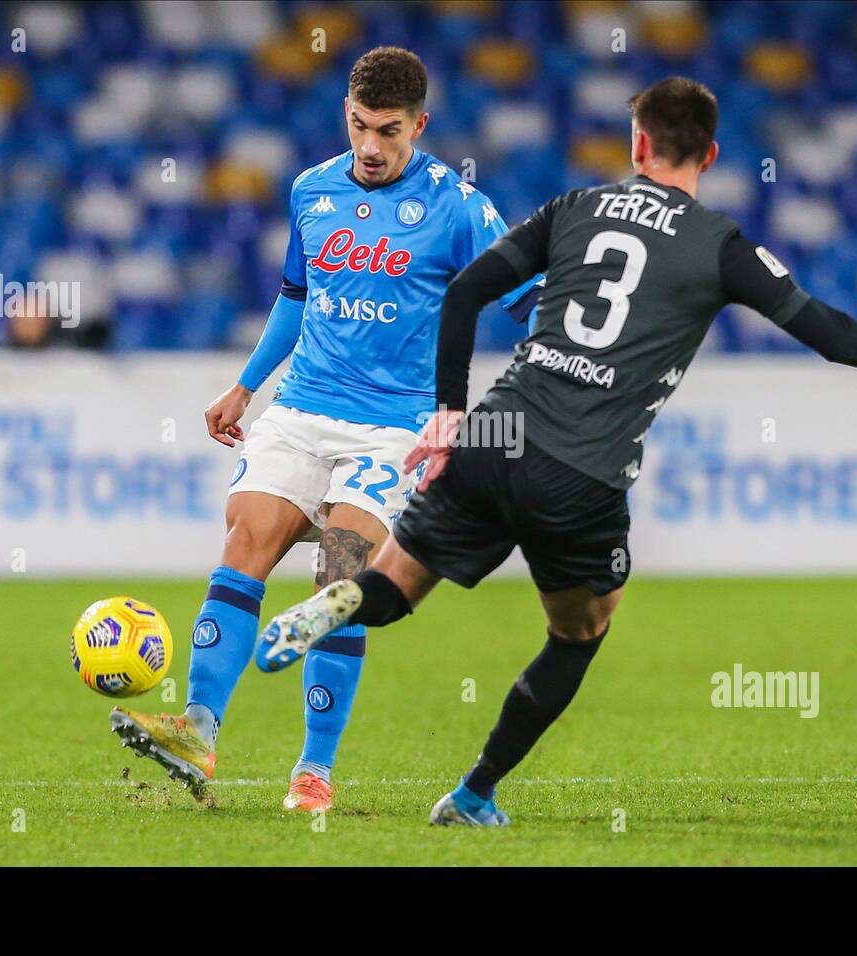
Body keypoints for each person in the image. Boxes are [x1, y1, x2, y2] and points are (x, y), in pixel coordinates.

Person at [253, 76, 857, 825]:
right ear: (712, 153)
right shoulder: (723, 245)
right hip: (582, 470)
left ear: (640, 145)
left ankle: (333, 601)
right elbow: (830, 335)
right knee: (582, 627)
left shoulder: (576, 207)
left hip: (497, 433)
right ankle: (473, 793)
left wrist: (449, 416)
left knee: (394, 587)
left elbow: (463, 292)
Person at [110, 47, 538, 812]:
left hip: (395, 429)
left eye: (389, 131)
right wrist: (245, 386)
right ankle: (196, 733)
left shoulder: (460, 207)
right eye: (358, 125)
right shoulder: (312, 189)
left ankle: (314, 771)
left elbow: (526, 299)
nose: (370, 146)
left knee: (340, 579)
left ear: (421, 125)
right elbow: (297, 297)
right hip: (304, 405)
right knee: (245, 540)